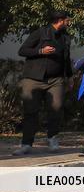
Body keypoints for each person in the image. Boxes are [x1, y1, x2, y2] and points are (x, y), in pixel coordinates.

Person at [13, 11, 73, 155]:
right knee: (30, 112)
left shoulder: (65, 37)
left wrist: (69, 76)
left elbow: (66, 58)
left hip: (55, 80)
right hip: (33, 79)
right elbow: (22, 50)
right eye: (67, 20)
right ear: (60, 20)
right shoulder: (40, 33)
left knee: (56, 109)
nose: (69, 22)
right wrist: (41, 50)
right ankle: (26, 144)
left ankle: (52, 138)